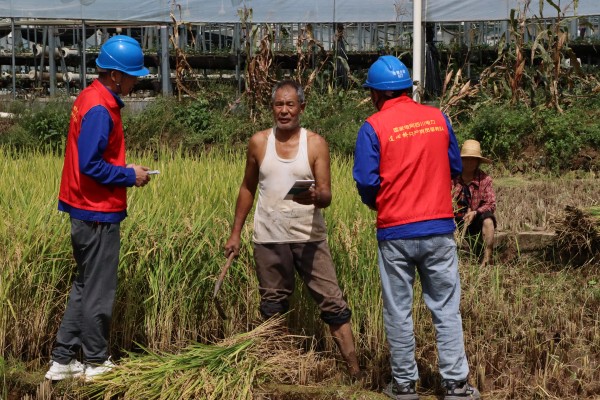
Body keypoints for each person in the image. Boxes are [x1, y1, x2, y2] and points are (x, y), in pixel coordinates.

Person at [353, 55, 480, 400]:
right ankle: (455, 384)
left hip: (394, 232)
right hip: (438, 228)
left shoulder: (373, 126)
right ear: (408, 89)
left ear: (376, 95)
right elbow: (455, 165)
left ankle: (405, 385)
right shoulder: (438, 118)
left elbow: (366, 181)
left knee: (398, 310)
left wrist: (379, 202)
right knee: (445, 307)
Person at [224, 79, 362, 381]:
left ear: (302, 107)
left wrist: (315, 196)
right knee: (273, 305)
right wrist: (236, 233)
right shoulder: (259, 142)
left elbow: (326, 194)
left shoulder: (315, 143)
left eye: (290, 105)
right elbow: (247, 187)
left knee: (333, 303)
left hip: (308, 237)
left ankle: (354, 371)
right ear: (272, 107)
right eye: (278, 104)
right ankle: (279, 370)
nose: (284, 111)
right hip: (269, 237)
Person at [45, 35, 152, 381]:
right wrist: (129, 175)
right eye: (133, 75)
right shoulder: (100, 109)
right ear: (116, 75)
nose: (136, 81)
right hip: (96, 212)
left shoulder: (90, 97)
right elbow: (91, 165)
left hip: (85, 209)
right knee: (100, 289)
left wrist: (122, 169)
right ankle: (95, 360)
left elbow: (92, 159)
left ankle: (62, 360)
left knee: (85, 285)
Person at [452, 139, 497, 267]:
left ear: (478, 162)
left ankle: (487, 258)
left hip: (475, 219)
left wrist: (475, 212)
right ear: (461, 160)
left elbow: (491, 203)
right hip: (454, 220)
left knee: (488, 220)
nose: (469, 162)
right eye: (466, 159)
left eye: (473, 159)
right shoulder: (452, 178)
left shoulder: (485, 179)